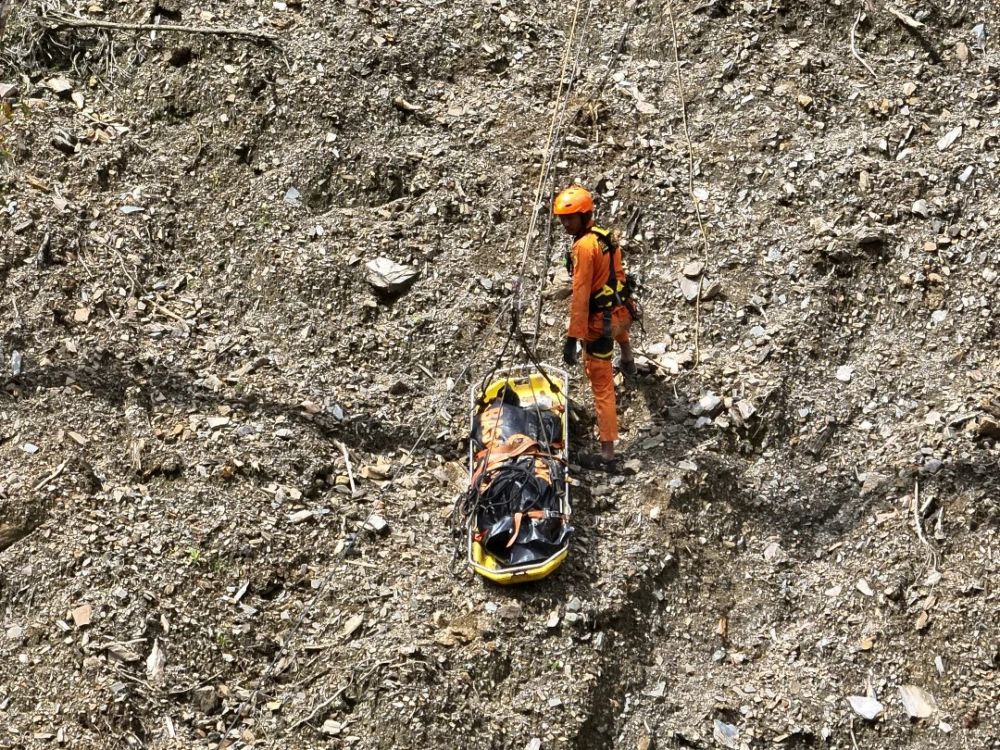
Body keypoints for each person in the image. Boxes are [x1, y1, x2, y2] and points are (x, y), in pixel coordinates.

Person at [553, 185, 637, 469]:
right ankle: (628, 359)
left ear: (584, 215)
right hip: (621, 312)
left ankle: (607, 454)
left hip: (600, 325)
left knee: (602, 385)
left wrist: (572, 337)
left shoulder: (583, 247)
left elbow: (580, 294)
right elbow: (617, 275)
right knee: (618, 330)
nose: (565, 223)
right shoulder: (605, 236)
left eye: (570, 218)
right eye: (562, 219)